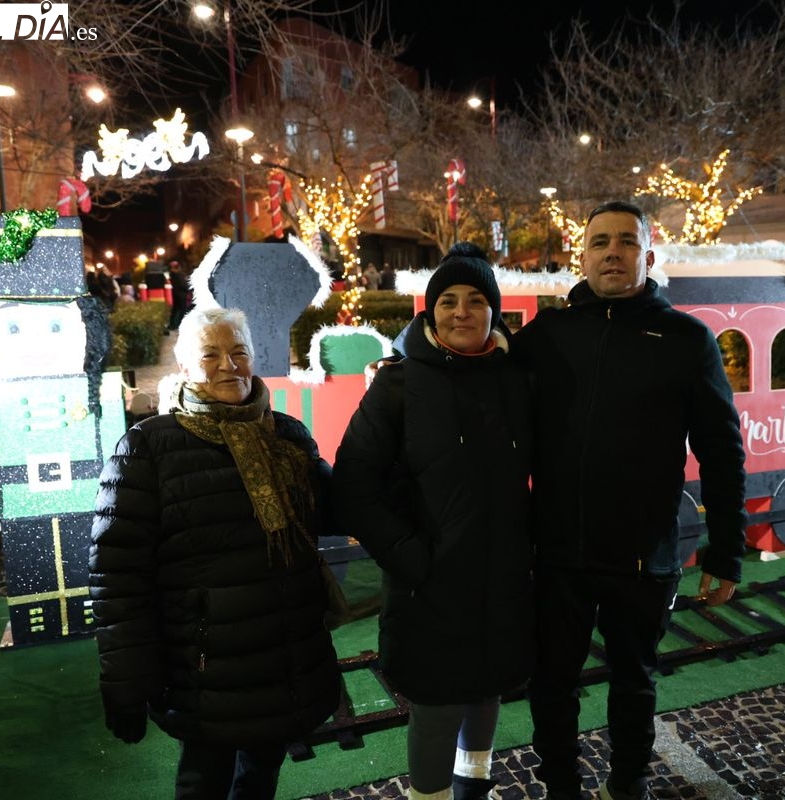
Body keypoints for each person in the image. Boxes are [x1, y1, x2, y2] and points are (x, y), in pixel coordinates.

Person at [518, 201, 747, 800]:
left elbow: (722, 451)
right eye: (600, 242)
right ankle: (561, 787)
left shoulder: (686, 339)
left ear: (648, 255)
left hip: (644, 554)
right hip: (559, 552)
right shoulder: (546, 336)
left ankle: (628, 785)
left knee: (634, 682)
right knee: (552, 682)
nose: (612, 252)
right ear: (583, 255)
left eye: (625, 241)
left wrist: (727, 551)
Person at [89, 306, 342, 800]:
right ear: (184, 365)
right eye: (210, 355)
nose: (229, 365)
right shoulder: (148, 447)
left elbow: (340, 509)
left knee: (261, 778)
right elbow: (118, 577)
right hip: (204, 670)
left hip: (285, 658)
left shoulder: (286, 435)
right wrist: (126, 683)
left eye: (239, 352)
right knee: (204, 781)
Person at [333, 243, 534, 800]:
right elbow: (353, 486)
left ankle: (475, 784)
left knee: (488, 690)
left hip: (502, 579)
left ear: (494, 311)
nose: (462, 311)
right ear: (430, 311)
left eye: (476, 300)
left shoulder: (516, 380)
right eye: (448, 300)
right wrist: (411, 559)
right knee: (438, 706)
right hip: (430, 587)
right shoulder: (398, 385)